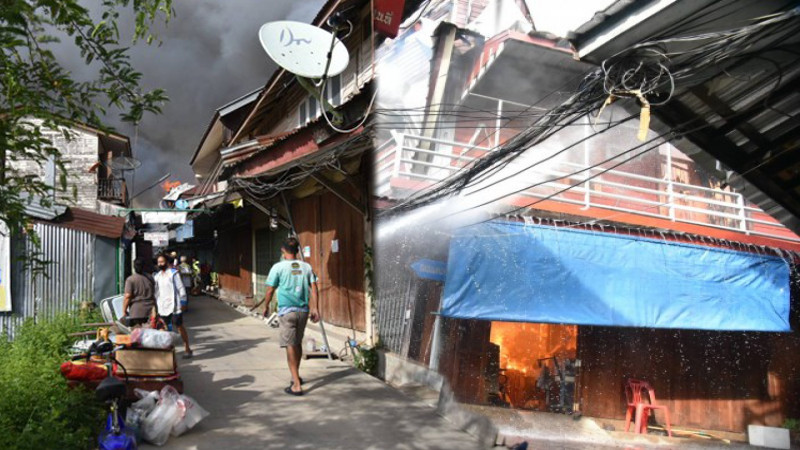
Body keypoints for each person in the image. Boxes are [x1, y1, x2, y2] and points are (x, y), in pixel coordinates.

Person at [262, 237, 319, 396]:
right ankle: (296, 376)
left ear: (283, 250)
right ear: (297, 250)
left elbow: (269, 290)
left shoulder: (278, 267)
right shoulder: (306, 267)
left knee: (289, 346)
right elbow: (314, 288)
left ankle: (296, 385)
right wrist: (316, 308)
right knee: (297, 343)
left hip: (287, 312)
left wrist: (266, 306)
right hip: (303, 311)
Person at [154, 253, 193, 358]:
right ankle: (169, 351)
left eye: (162, 262)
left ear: (166, 262)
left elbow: (181, 288)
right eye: (158, 262)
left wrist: (183, 301)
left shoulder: (173, 274)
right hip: (163, 306)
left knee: (179, 326)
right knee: (165, 329)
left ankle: (187, 348)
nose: (160, 264)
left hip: (175, 306)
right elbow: (156, 292)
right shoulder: (157, 276)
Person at [122, 258, 155, 327]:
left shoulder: (130, 279)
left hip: (136, 311)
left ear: (134, 267)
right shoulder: (150, 277)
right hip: (151, 310)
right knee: (150, 334)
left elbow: (128, 296)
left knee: (138, 335)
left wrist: (124, 310)